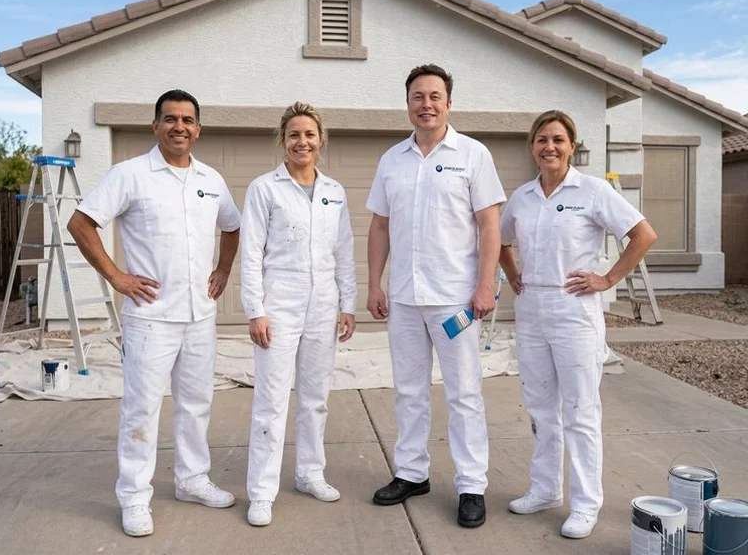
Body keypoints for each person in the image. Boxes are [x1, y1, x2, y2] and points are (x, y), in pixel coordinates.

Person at [67, 89, 241, 537]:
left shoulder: (211, 178)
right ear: (155, 126)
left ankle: (192, 479)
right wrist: (116, 277)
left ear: (198, 128)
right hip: (149, 318)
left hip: (199, 315)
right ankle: (134, 497)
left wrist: (223, 269)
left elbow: (232, 225)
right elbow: (81, 223)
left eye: (187, 120)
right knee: (142, 409)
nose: (179, 126)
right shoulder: (130, 174)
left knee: (196, 404)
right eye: (170, 119)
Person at [499, 110, 657, 539]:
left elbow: (643, 234)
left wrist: (607, 279)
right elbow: (499, 240)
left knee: (580, 412)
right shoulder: (523, 197)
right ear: (532, 147)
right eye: (541, 140)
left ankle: (586, 503)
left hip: (574, 313)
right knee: (540, 408)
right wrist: (513, 274)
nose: (549, 147)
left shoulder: (593, 190)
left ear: (572, 146)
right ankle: (545, 489)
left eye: (558, 140)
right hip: (532, 312)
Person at [366, 64, 506, 528]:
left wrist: (485, 285)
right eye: (417, 96)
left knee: (464, 392)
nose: (426, 104)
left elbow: (490, 224)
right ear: (407, 103)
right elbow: (381, 225)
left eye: (434, 96)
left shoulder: (473, 154)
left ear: (448, 102)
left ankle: (471, 485)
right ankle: (411, 473)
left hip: (455, 301)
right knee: (409, 390)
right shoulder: (392, 159)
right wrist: (374, 283)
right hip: (405, 298)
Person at [240, 101, 357, 527]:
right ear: (283, 140)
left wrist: (348, 304)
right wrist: (256, 310)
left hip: (323, 305)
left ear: (320, 140)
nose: (302, 141)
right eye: (294, 135)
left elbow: (344, 251)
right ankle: (262, 490)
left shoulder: (335, 191)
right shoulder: (264, 189)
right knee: (271, 401)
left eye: (309, 134)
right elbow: (250, 254)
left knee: (315, 399)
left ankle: (310, 473)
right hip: (279, 304)